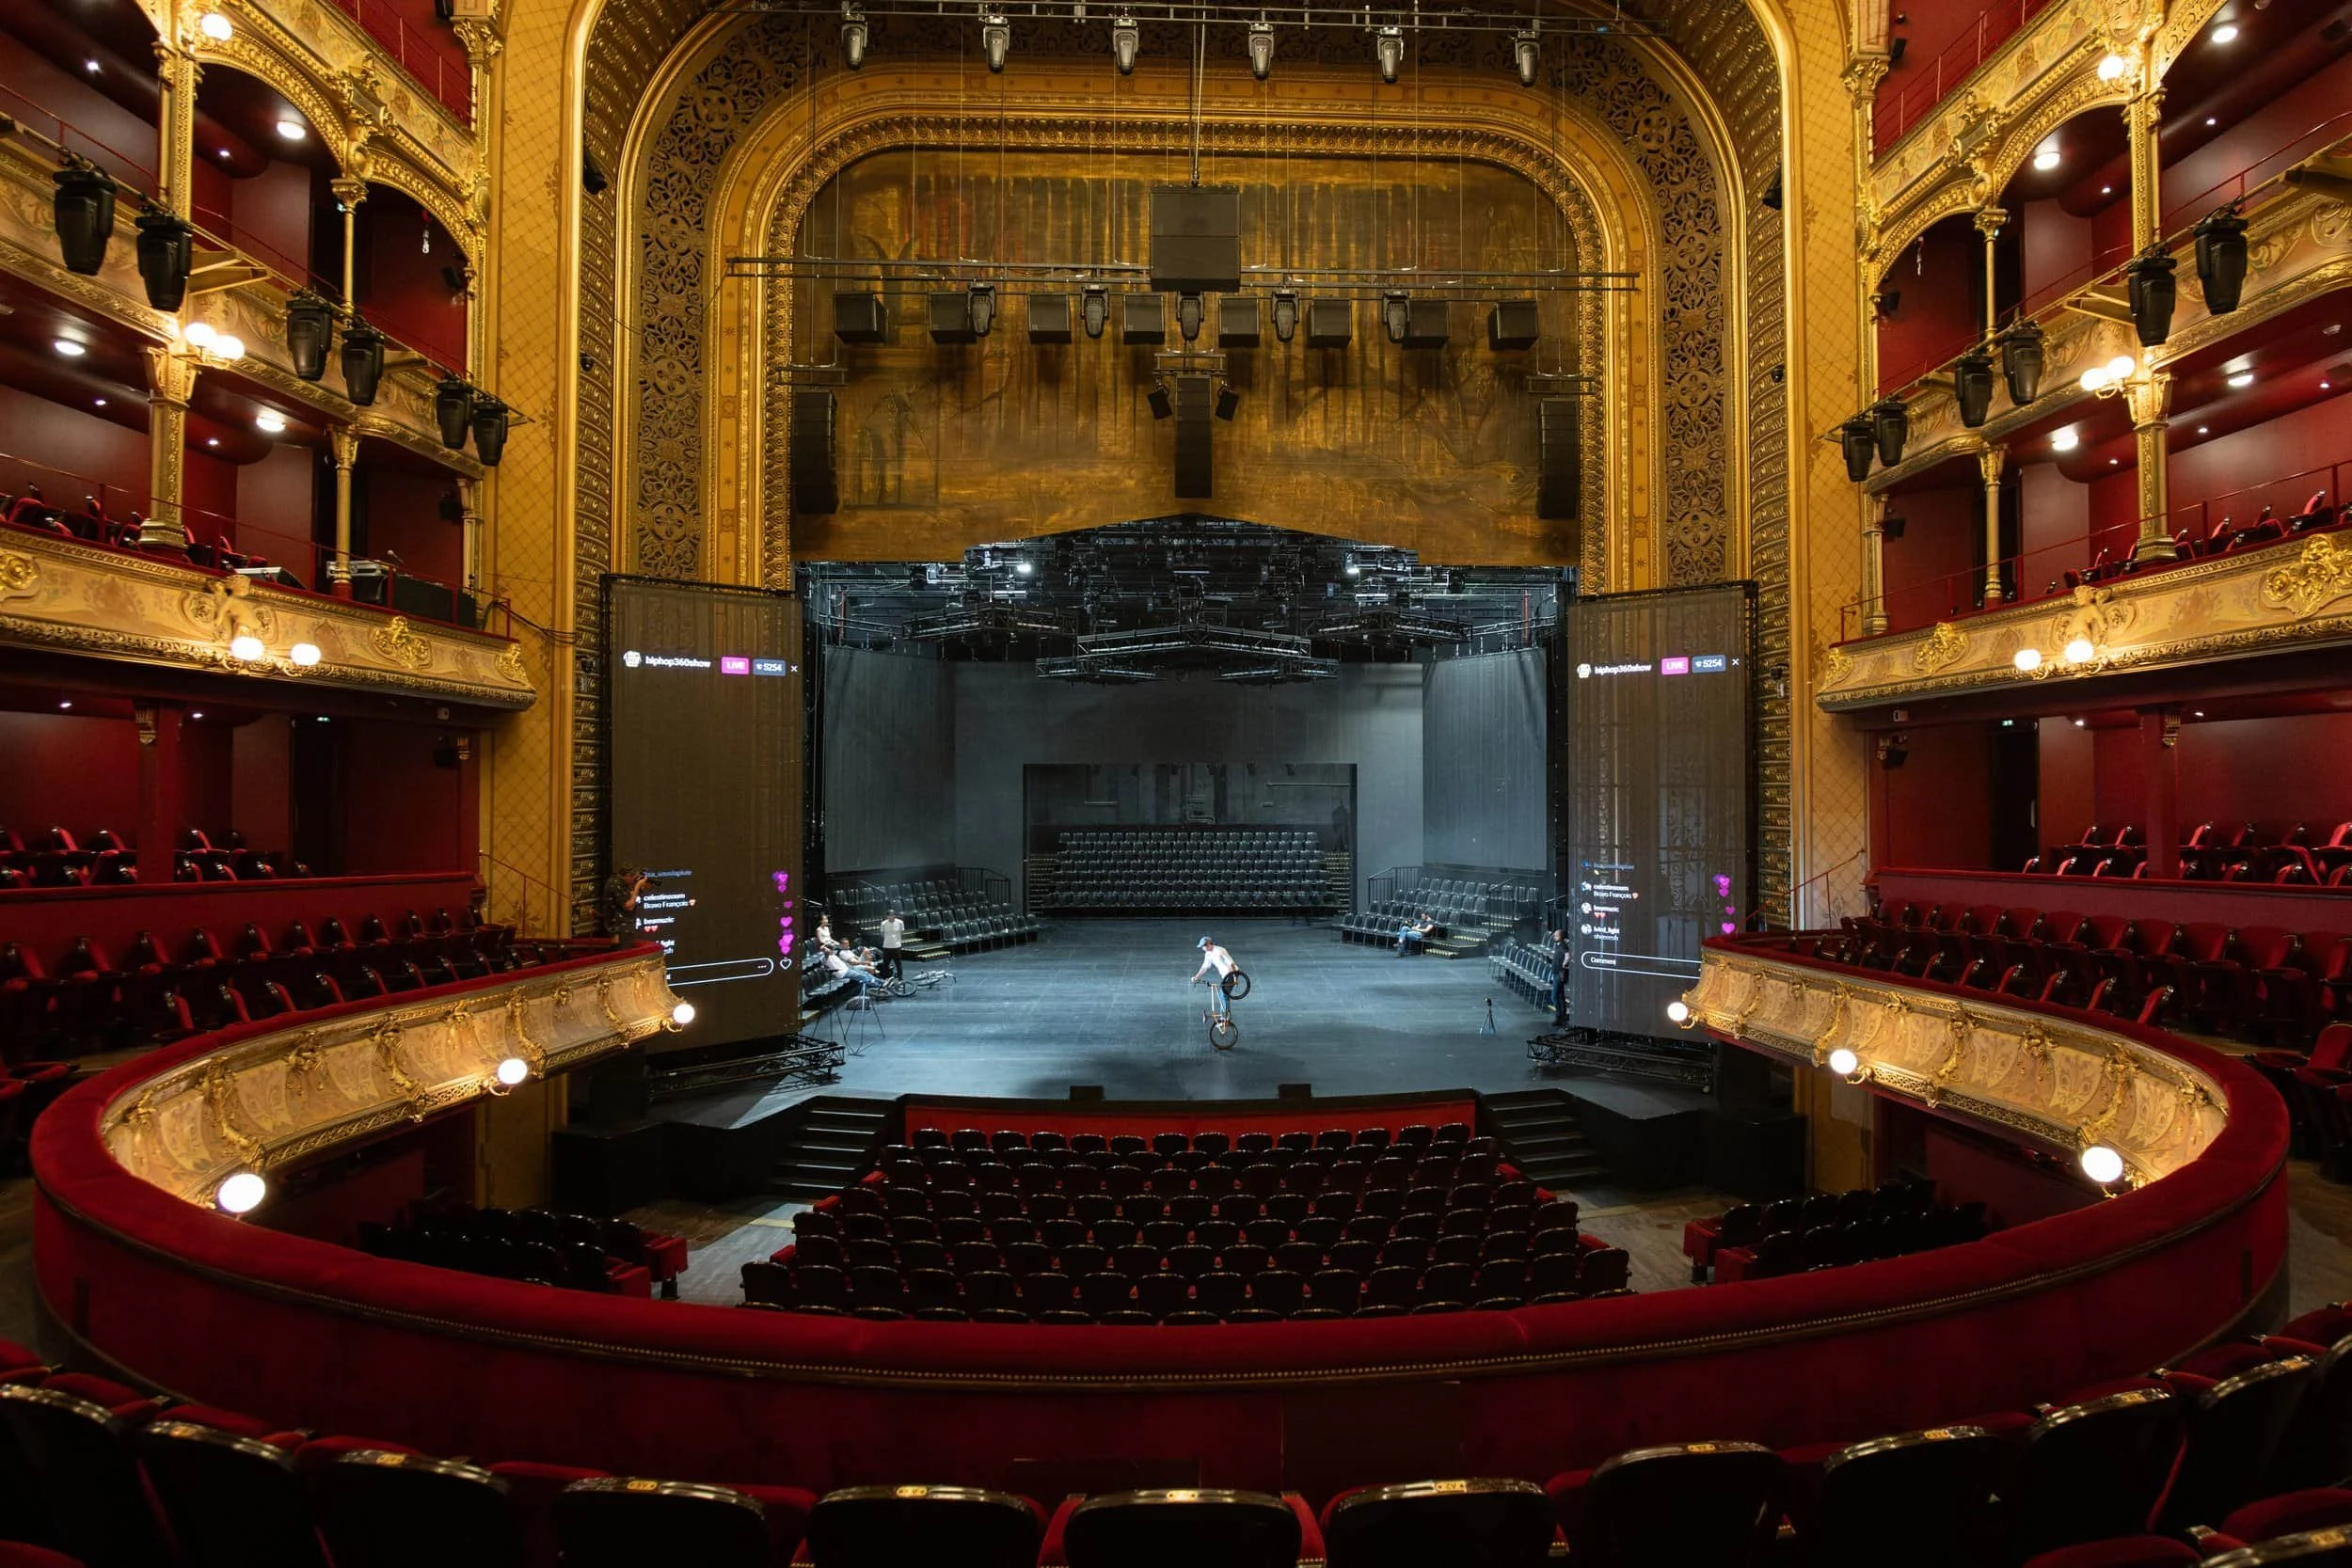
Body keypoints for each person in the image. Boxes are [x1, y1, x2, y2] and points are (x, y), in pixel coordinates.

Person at [1190, 935, 1237, 1020]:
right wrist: (1196, 977)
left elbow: (1231, 963)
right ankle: (1225, 1015)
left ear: (1208, 945)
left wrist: (1234, 977)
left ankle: (1225, 1016)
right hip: (1225, 976)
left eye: (1203, 947)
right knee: (1222, 994)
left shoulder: (1220, 951)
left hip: (1231, 973)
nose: (1202, 949)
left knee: (1223, 994)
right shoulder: (1208, 954)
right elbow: (1204, 967)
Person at [1548, 927, 1572, 1026]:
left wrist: (1564, 964)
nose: (1554, 937)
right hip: (1556, 972)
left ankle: (1559, 1016)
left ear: (1561, 936)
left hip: (1559, 973)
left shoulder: (1562, 945)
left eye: (1556, 935)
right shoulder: (1558, 945)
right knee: (1560, 995)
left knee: (1554, 996)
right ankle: (1562, 1015)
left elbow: (1568, 955)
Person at [876, 909, 906, 979]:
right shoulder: (883, 923)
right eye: (890, 915)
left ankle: (900, 977)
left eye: (893, 915)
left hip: (897, 946)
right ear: (887, 916)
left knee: (898, 963)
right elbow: (882, 933)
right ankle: (886, 977)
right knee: (886, 964)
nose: (892, 917)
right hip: (887, 946)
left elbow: (902, 931)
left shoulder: (900, 922)